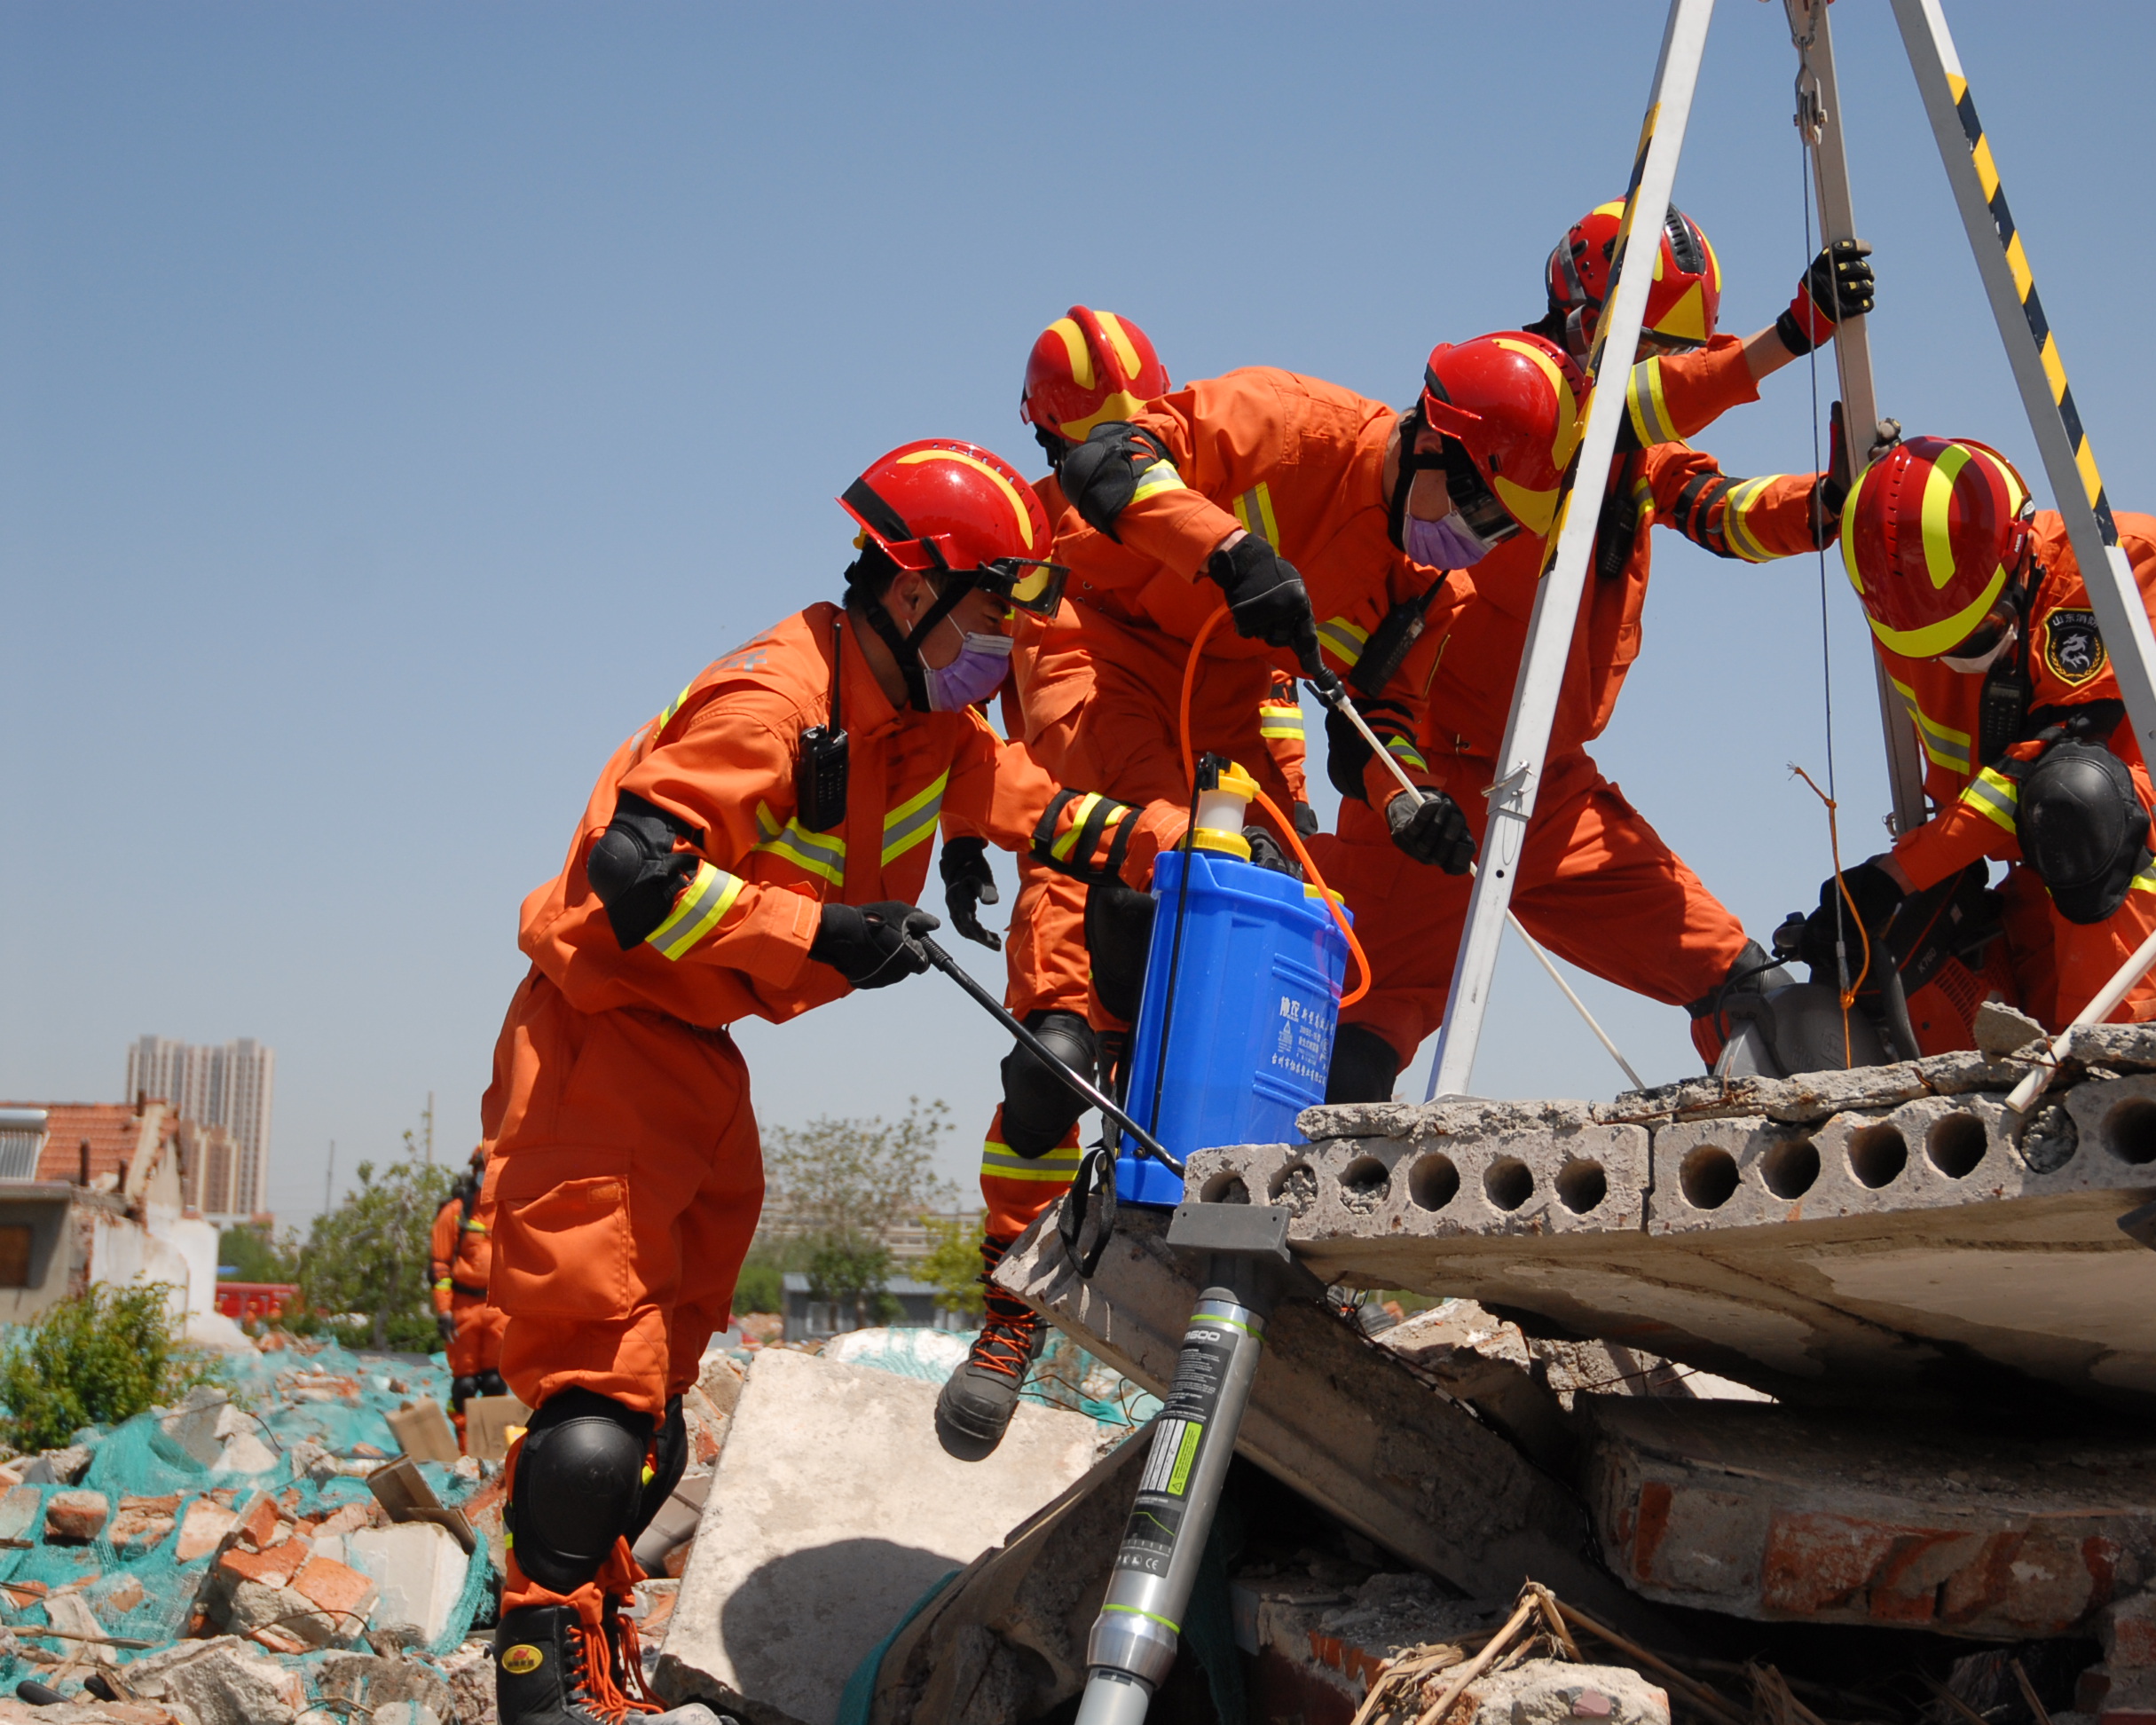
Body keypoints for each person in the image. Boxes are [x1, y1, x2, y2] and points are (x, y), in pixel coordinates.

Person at [479, 438, 1190, 1725]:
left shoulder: (927, 727)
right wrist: (826, 936)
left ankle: (598, 1650)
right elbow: (634, 878)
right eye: (987, 611)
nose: (999, 646)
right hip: (602, 1037)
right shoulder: (773, 701)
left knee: (660, 1412)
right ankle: (539, 1687)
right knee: (600, 1399)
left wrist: (1185, 838)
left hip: (696, 1059)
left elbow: (1046, 809)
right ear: (912, 588)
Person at [939, 316, 1584, 1459]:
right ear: (1434, 446)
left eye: (1498, 528)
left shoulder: (1428, 580)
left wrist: (1402, 806)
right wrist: (1227, 553)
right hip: (1102, 647)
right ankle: (1009, 1308)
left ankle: (1263, 1272)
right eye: (1477, 509)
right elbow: (1109, 467)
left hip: (1238, 699)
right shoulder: (1285, 421)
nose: (1476, 540)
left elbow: (1367, 728)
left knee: (1281, 949)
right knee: (1084, 1002)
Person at [1319, 204, 1880, 1098]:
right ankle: (1285, 1225)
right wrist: (1786, 338)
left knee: (1748, 989)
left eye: (1671, 348)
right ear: (1585, 318)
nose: (1660, 365)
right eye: (1648, 343)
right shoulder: (1499, 405)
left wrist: (1827, 506)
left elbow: (1715, 506)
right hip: (1426, 788)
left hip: (1552, 791)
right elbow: (1617, 407)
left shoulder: (1633, 434)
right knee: (1359, 1038)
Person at [1816, 435, 2156, 1044]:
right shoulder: (1908, 606)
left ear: (2021, 554)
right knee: (1894, 945)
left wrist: (1897, 873)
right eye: (1937, 645)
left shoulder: (2116, 560)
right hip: (2044, 885)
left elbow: (2051, 759)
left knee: (2075, 793)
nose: (1953, 657)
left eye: (1978, 636)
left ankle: (2112, 1074)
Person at [429, 1146, 504, 1440]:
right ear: (474, 1172)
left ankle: (493, 1449)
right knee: (466, 1386)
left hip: (498, 1309)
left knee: (496, 1383)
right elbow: (439, 1267)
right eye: (482, 1169)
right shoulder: (455, 1214)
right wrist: (444, 1311)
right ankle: (465, 1449)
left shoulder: (509, 1211)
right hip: (463, 1308)